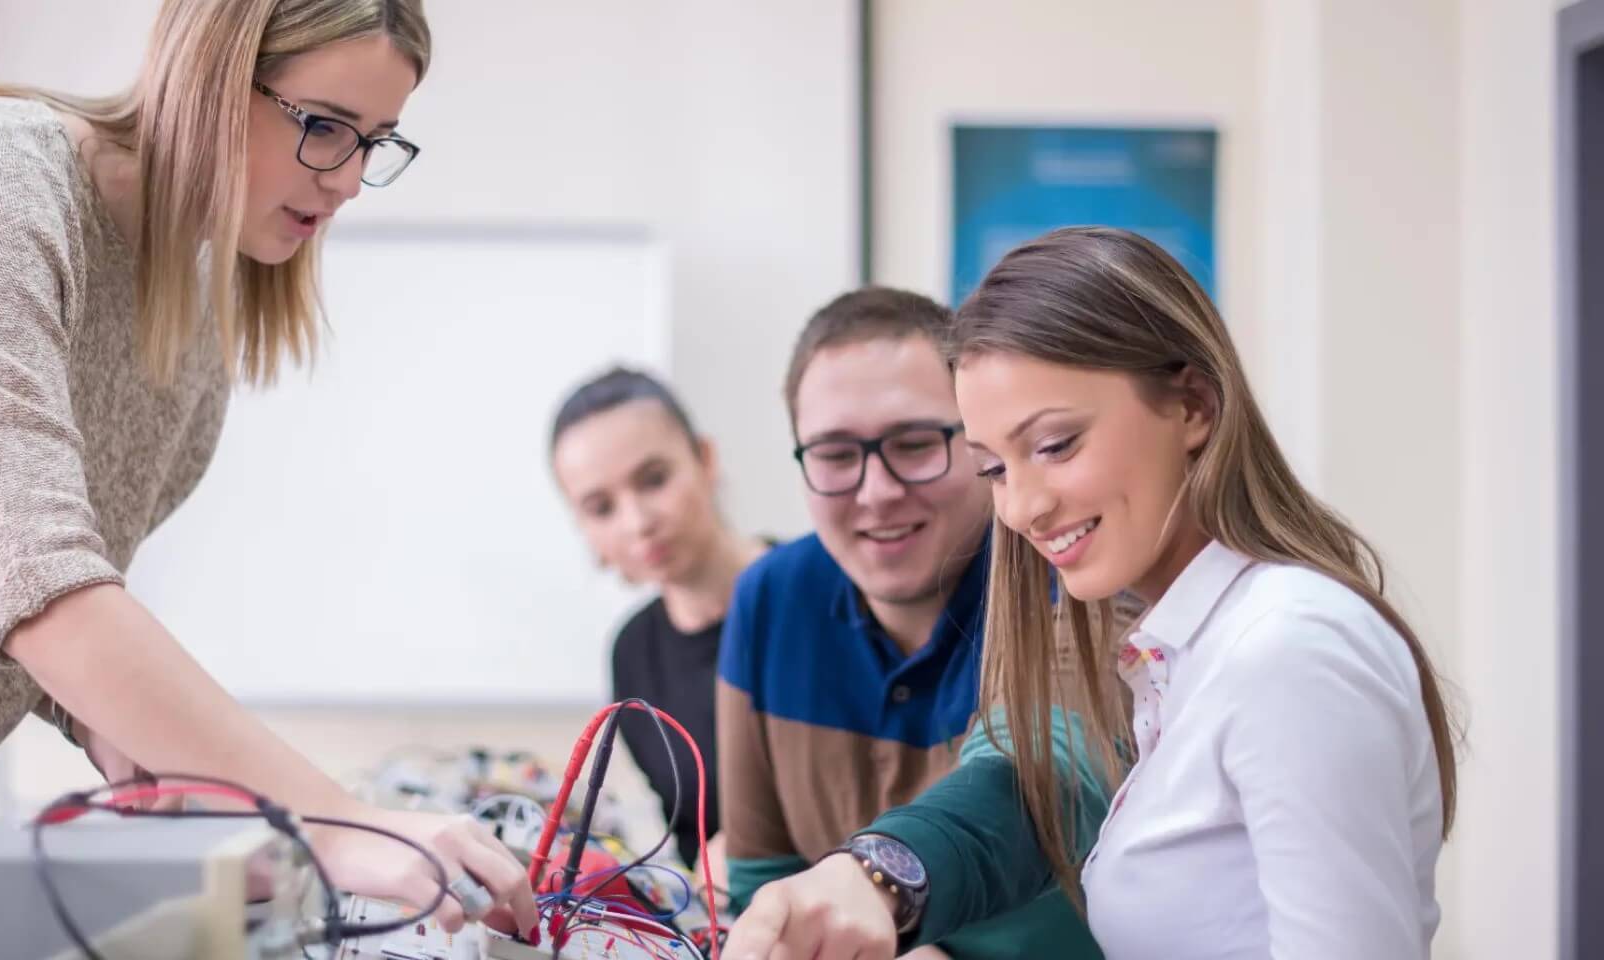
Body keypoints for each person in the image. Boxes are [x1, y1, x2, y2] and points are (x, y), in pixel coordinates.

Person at [0, 2, 537, 956]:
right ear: (212, 71)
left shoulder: (197, 327)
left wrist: (143, 749)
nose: (345, 183)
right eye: (323, 127)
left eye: (374, 141)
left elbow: (17, 577)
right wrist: (334, 824)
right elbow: (37, 584)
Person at [719, 227, 1458, 960]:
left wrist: (884, 878)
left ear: (1194, 405)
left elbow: (1039, 777)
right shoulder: (1180, 658)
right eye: (996, 468)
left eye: (1054, 445)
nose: (1022, 508)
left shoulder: (1287, 647)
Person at [716, 287, 1113, 959]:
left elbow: (1042, 779)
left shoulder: (1068, 568)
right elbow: (763, 883)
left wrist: (881, 886)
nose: (876, 491)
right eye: (836, 455)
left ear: (979, 443)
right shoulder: (769, 600)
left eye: (914, 443)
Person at [549, 367, 767, 874]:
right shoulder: (633, 654)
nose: (637, 521)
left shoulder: (817, 595)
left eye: (654, 480)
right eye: (601, 508)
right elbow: (689, 834)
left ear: (705, 460)